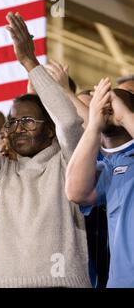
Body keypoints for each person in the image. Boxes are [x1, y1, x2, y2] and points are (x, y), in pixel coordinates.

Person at [0, 12, 91, 287]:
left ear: (50, 130)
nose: (18, 128)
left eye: (28, 121)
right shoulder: (0, 171)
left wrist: (29, 62)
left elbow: (71, 121)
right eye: (12, 122)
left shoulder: (69, 161)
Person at [65, 78, 134, 288]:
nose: (110, 109)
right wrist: (94, 125)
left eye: (116, 104)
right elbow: (75, 192)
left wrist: (126, 116)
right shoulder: (111, 166)